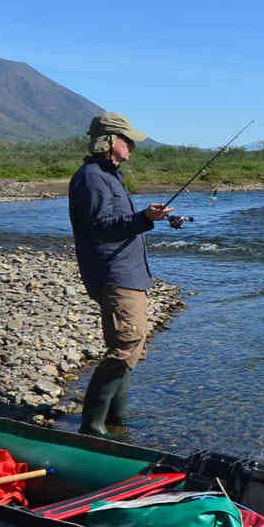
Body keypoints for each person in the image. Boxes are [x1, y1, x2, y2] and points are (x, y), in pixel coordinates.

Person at [68, 111, 183, 436]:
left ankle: (115, 421)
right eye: (127, 140)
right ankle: (93, 426)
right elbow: (101, 227)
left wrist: (150, 217)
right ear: (109, 142)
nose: (132, 146)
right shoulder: (92, 178)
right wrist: (143, 218)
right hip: (115, 274)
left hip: (128, 273)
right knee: (125, 346)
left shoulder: (108, 176)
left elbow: (114, 221)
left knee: (133, 346)